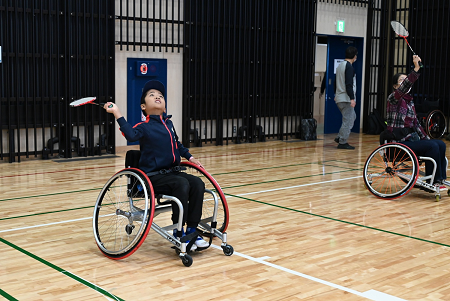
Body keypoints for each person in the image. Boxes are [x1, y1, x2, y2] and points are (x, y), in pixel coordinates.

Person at [104, 79, 209, 251]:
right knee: (181, 184)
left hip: (173, 173)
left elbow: (178, 145)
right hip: (153, 177)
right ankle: (178, 231)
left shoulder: (169, 124)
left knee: (198, 183)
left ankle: (191, 230)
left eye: (160, 95)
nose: (157, 97)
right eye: (151, 95)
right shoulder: (144, 126)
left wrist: (190, 157)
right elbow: (130, 135)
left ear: (165, 107)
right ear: (143, 107)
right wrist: (117, 112)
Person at [384, 54, 447, 189]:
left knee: (439, 144)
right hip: (399, 143)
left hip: (411, 140)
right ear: (396, 86)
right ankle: (432, 182)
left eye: (406, 79)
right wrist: (416, 68)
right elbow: (404, 87)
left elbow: (417, 125)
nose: (405, 81)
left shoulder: (409, 101)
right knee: (433, 147)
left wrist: (427, 139)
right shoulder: (393, 99)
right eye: (402, 80)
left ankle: (439, 178)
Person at [334, 46, 358, 149]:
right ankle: (342, 142)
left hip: (340, 97)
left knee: (352, 117)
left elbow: (335, 82)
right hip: (346, 98)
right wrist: (352, 99)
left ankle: (340, 136)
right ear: (354, 56)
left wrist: (335, 94)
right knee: (348, 120)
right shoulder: (349, 66)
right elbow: (349, 84)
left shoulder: (340, 66)